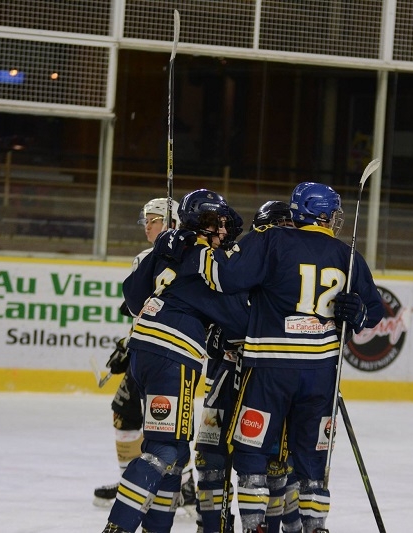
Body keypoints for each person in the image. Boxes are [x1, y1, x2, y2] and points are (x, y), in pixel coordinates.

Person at [159, 182, 384, 532]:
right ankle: (315, 525)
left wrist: (194, 246)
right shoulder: (347, 254)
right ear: (321, 213)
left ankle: (254, 525)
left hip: (270, 368)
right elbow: (373, 310)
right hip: (321, 373)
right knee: (312, 459)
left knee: (252, 451)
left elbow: (224, 277)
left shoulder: (270, 240)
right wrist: (356, 314)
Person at [102, 189, 249, 533]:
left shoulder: (167, 245)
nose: (224, 230)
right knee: (165, 451)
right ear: (203, 222)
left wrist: (163, 252)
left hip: (143, 350)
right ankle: (118, 526)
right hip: (174, 357)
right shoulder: (207, 259)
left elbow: (134, 298)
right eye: (218, 222)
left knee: (177, 452)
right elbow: (237, 322)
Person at [193, 200, 300, 533]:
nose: (283, 236)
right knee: (210, 463)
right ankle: (211, 528)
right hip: (225, 379)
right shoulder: (239, 264)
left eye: (290, 228)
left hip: (267, 381)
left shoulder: (296, 279)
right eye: (275, 227)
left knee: (275, 466)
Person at [93, 198, 190, 508]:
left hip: (171, 355)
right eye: (145, 220)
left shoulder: (191, 257)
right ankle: (128, 484)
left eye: (155, 220)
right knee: (125, 414)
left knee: (165, 425)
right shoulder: (144, 258)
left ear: (172, 222)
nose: (147, 226)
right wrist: (127, 344)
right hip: (144, 352)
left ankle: (183, 487)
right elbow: (141, 311)